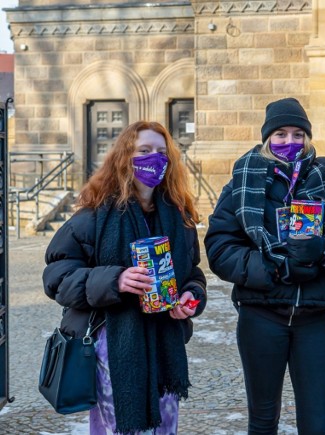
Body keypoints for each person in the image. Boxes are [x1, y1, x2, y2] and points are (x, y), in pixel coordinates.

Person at [204, 97, 325, 434]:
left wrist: (324, 251)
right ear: (267, 139)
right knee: (262, 421)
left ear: (308, 138)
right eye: (280, 134)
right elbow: (220, 247)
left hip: (314, 319)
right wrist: (273, 269)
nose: (289, 142)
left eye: (297, 134)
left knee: (316, 423)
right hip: (261, 315)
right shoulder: (242, 183)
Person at [42, 121, 207, 434]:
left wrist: (191, 298)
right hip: (112, 345)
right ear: (124, 158)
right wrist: (114, 280)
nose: (154, 158)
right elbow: (57, 276)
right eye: (144, 151)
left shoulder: (179, 217)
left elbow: (193, 275)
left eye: (161, 152)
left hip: (163, 344)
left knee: (164, 427)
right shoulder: (93, 216)